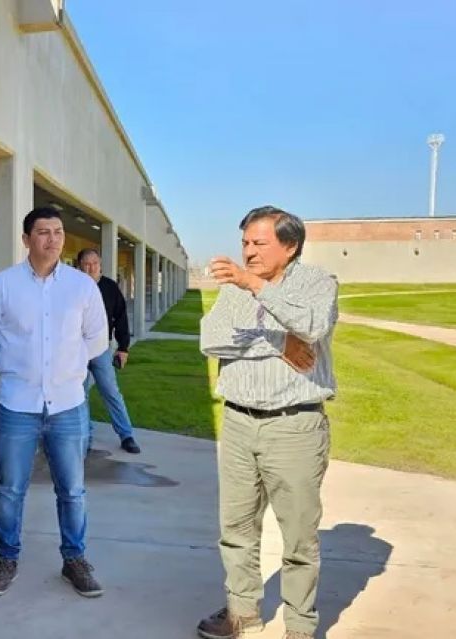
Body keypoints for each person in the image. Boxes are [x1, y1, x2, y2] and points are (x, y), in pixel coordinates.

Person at [196, 206, 338, 639]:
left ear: (290, 246)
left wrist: (256, 288)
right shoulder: (234, 289)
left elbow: (311, 325)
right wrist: (280, 346)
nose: (249, 252)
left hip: (293, 428)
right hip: (238, 424)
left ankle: (299, 625)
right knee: (236, 529)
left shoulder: (318, 284)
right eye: (245, 243)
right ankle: (242, 613)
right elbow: (211, 339)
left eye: (259, 243)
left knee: (298, 538)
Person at [0, 207, 108, 598]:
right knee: (11, 489)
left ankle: (74, 560)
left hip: (67, 405)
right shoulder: (4, 285)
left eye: (58, 232)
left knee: (72, 490)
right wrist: (17, 367)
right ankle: (6, 559)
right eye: (43, 232)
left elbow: (97, 339)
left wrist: (67, 368)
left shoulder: (82, 287)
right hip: (18, 405)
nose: (52, 239)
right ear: (26, 239)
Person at [74, 248, 141, 454]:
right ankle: (86, 438)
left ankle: (126, 435)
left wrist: (123, 347)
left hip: (101, 349)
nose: (91, 267)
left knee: (111, 392)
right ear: (79, 266)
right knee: (79, 395)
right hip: (76, 350)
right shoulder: (72, 287)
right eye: (86, 263)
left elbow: (120, 317)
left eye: (95, 263)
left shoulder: (110, 287)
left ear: (100, 265)